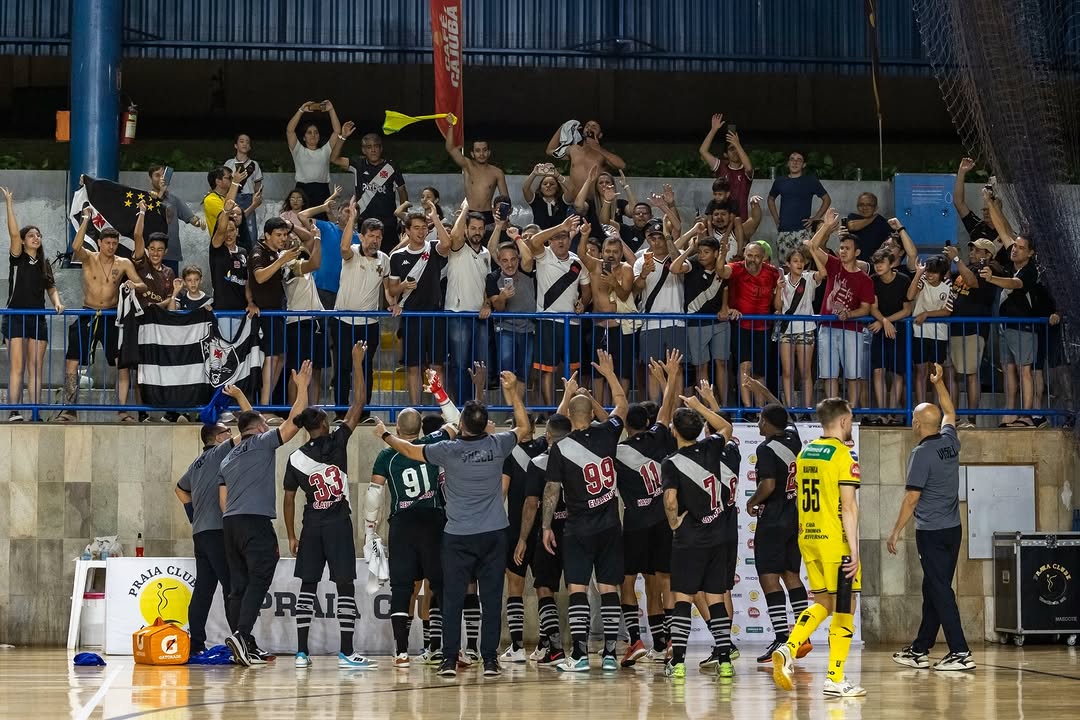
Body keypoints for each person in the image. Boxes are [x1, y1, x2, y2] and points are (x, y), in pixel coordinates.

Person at [374, 371, 531, 678]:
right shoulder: (498, 444)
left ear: (461, 425)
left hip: (458, 535)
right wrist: (513, 393)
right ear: (485, 425)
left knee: (452, 599)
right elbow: (524, 427)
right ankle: (490, 661)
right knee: (490, 599)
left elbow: (409, 450)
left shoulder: (448, 450)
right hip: (494, 534)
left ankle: (448, 661)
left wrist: (384, 435)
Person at [284, 343, 375, 669]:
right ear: (323, 424)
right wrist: (356, 362)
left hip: (311, 526)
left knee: (307, 586)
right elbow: (359, 402)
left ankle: (301, 652)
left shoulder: (295, 458)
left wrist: (291, 535)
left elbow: (289, 498)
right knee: (345, 586)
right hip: (337, 524)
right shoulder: (338, 441)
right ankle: (347, 651)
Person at [219, 360, 313, 666]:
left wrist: (240, 398)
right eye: (265, 423)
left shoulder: (229, 456)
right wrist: (302, 388)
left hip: (230, 525)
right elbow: (295, 421)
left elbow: (250, 419)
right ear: (261, 428)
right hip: (254, 522)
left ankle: (243, 643)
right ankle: (241, 635)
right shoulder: (262, 443)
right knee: (260, 577)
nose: (267, 425)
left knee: (238, 587)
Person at [540, 350, 629, 672]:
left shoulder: (560, 448)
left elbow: (551, 490)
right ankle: (609, 655)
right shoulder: (608, 433)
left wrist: (546, 527)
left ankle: (578, 655)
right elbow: (622, 405)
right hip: (610, 525)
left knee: (576, 587)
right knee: (608, 588)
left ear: (569, 416)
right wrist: (609, 374)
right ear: (592, 412)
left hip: (577, 527)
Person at [772, 397, 864, 698]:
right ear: (844, 421)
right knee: (846, 606)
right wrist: (854, 551)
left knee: (823, 602)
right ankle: (835, 678)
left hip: (808, 538)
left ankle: (788, 648)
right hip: (834, 541)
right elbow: (848, 507)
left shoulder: (806, 452)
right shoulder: (844, 456)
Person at [369, 375, 463, 669]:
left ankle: (401, 652)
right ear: (421, 427)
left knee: (401, 588)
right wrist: (439, 392)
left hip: (402, 524)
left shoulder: (387, 456)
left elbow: (374, 493)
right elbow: (457, 421)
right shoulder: (433, 443)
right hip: (433, 521)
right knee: (440, 585)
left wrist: (370, 529)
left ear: (397, 429)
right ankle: (444, 648)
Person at [888, 363, 976, 672]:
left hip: (932, 533)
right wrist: (938, 384)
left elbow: (912, 498)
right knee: (934, 589)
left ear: (916, 424)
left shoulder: (921, 454)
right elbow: (950, 412)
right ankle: (920, 649)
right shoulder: (950, 441)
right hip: (953, 530)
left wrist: (895, 532)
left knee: (940, 590)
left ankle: (960, 652)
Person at [660, 392, 740, 679]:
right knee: (716, 600)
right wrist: (699, 406)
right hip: (718, 534)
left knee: (683, 598)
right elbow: (726, 427)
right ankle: (725, 661)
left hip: (689, 539)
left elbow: (670, 500)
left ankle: (679, 663)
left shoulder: (671, 462)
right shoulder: (712, 447)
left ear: (674, 431)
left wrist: (673, 523)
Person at [613, 351, 681, 667]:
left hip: (636, 523)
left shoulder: (618, 450)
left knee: (627, 582)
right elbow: (668, 408)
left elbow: (608, 422)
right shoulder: (660, 437)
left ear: (626, 426)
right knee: (661, 583)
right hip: (662, 522)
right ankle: (668, 642)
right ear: (648, 424)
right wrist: (671, 376)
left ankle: (636, 640)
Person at [740, 376, 813, 664]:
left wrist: (752, 501)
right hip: (795, 516)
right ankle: (802, 636)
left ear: (770, 425)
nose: (758, 424)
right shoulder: (793, 435)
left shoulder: (765, 448)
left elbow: (768, 484)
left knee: (769, 577)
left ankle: (783, 638)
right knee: (791, 574)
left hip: (773, 519)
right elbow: (781, 409)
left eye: (761, 420)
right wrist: (762, 390)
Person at [174, 384, 252, 653]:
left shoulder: (195, 463)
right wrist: (240, 399)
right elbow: (251, 432)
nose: (231, 433)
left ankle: (196, 642)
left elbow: (180, 489)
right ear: (218, 438)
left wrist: (193, 515)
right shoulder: (220, 452)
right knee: (232, 586)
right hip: (218, 531)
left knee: (204, 589)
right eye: (227, 431)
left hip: (201, 533)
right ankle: (241, 642)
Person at [57, 209, 147, 423]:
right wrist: (85, 219)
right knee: (72, 360)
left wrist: (133, 285)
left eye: (114, 243)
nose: (111, 246)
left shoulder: (123, 262)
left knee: (121, 363)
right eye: (107, 243)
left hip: (111, 316)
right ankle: (70, 409)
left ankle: (122, 410)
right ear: (99, 243)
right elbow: (76, 247)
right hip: (88, 313)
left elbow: (143, 286)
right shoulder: (89, 258)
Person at [1, 187, 63, 423]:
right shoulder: (18, 257)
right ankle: (14, 412)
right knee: (17, 367)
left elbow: (51, 288)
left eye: (38, 235)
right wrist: (9, 203)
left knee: (35, 368)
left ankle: (35, 412)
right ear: (24, 240)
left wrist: (57, 303)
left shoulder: (44, 263)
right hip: (16, 316)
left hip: (37, 318)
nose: (36, 238)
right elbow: (13, 233)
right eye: (31, 235)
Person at [518, 413, 573, 664]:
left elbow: (531, 504)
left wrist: (522, 538)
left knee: (544, 588)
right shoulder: (579, 458)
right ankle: (582, 650)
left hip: (548, 531)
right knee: (578, 589)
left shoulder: (539, 462)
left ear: (548, 435)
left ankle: (555, 647)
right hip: (576, 530)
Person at [808, 210, 874, 409]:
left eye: (847, 248)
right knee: (829, 375)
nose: (843, 251)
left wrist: (849, 314)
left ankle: (851, 411)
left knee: (853, 375)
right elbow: (813, 245)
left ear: (857, 252)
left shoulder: (865, 279)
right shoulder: (834, 265)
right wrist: (826, 226)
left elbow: (865, 309)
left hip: (852, 330)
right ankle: (832, 411)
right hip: (828, 326)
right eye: (841, 247)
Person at [526, 216, 593, 411]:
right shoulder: (544, 255)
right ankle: (550, 412)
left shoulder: (577, 262)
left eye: (564, 237)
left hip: (572, 322)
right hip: (547, 320)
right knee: (546, 369)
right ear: (550, 241)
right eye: (556, 238)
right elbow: (534, 241)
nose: (561, 241)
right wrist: (561, 226)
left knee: (572, 370)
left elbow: (587, 290)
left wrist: (583, 303)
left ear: (569, 239)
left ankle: (569, 409)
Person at [499, 418, 549, 663]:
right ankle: (546, 645)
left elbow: (502, 492)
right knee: (544, 587)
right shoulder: (545, 447)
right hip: (545, 529)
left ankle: (517, 647)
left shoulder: (509, 453)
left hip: (516, 528)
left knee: (515, 586)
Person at [388, 209, 448, 406]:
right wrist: (404, 286)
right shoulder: (397, 257)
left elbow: (447, 244)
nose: (421, 232)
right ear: (407, 231)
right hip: (411, 317)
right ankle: (415, 410)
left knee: (437, 366)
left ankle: (443, 410)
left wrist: (435, 219)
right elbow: (392, 288)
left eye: (424, 228)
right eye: (416, 228)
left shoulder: (433, 248)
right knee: (413, 367)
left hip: (435, 315)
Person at [333, 213, 391, 420]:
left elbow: (387, 288)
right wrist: (351, 218)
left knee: (366, 369)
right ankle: (340, 413)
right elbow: (343, 248)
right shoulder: (352, 252)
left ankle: (364, 413)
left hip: (369, 323)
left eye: (379, 237)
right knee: (342, 368)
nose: (375, 240)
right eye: (371, 236)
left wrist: (393, 303)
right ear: (362, 236)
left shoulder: (384, 259)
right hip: (343, 321)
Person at [980, 232, 1040, 427]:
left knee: (1024, 371)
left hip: (1023, 327)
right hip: (1005, 326)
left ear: (1030, 253)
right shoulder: (1010, 264)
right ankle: (1010, 411)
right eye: (1015, 246)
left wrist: (992, 278)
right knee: (1008, 370)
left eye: (1021, 248)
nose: (1015, 250)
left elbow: (1015, 284)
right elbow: (1004, 232)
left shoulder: (1030, 271)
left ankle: (1027, 415)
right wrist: (993, 211)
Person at [719, 240, 781, 416]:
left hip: (763, 327)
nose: (752, 259)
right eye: (749, 255)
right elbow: (721, 272)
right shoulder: (737, 268)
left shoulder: (772, 272)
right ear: (744, 255)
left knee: (759, 371)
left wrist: (778, 308)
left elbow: (779, 299)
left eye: (756, 256)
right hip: (741, 325)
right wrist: (722, 254)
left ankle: (760, 411)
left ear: (763, 258)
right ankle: (748, 410)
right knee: (744, 367)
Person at [632, 220, 693, 401]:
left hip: (676, 320)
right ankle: (655, 408)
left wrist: (670, 238)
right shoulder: (640, 261)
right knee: (653, 369)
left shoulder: (679, 256)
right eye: (653, 238)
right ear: (647, 239)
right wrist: (643, 274)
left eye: (660, 237)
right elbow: (636, 289)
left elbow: (680, 269)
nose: (657, 242)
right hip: (650, 322)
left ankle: (676, 408)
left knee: (677, 369)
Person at [438, 209, 494, 402]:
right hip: (457, 314)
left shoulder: (486, 253)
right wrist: (466, 208)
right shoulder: (458, 247)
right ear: (466, 230)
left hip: (480, 317)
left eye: (480, 228)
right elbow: (454, 236)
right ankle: (463, 407)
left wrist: (487, 304)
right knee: (460, 364)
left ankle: (477, 405)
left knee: (480, 365)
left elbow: (487, 285)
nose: (477, 232)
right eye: (473, 228)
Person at [943, 240, 999, 428]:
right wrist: (947, 260)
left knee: (971, 373)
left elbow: (972, 282)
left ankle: (971, 419)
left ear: (988, 254)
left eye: (977, 250)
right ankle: (952, 417)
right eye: (972, 249)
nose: (972, 252)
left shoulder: (989, 270)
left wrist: (956, 259)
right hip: (953, 328)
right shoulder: (965, 269)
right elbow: (948, 281)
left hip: (972, 330)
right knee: (950, 372)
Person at [576, 229, 634, 402]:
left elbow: (624, 295)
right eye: (608, 251)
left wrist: (614, 283)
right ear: (602, 252)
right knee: (597, 371)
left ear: (621, 254)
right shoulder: (595, 265)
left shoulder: (626, 269)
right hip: (599, 325)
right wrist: (584, 235)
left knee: (622, 371)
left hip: (620, 327)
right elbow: (581, 254)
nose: (611, 255)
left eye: (615, 252)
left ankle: (620, 407)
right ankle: (598, 408)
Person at [250, 217, 302, 411]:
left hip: (278, 311)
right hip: (266, 313)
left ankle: (267, 403)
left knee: (281, 357)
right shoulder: (258, 251)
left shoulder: (277, 252)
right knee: (271, 357)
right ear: (267, 235)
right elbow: (259, 277)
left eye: (285, 234)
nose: (283, 238)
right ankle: (263, 407)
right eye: (278, 235)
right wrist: (282, 260)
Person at [672, 234, 728, 407]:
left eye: (706, 252)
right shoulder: (693, 264)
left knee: (722, 363)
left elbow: (726, 288)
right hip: (696, 323)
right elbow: (674, 268)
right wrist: (690, 249)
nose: (702, 255)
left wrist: (725, 307)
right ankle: (707, 407)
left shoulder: (722, 267)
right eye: (700, 251)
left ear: (716, 253)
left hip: (719, 322)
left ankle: (725, 407)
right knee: (701, 366)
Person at [332, 130, 408, 255]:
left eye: (376, 146)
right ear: (363, 150)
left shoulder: (391, 167)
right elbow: (334, 159)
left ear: (381, 148)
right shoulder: (358, 165)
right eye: (369, 147)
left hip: (388, 224)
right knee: (365, 258)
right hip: (365, 224)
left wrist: (404, 218)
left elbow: (402, 192)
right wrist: (343, 137)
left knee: (389, 257)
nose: (373, 150)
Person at [774, 245, 824, 413]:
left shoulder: (809, 278)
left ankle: (807, 410)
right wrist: (778, 289)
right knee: (787, 371)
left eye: (802, 261)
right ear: (788, 264)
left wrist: (813, 252)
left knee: (805, 372)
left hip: (806, 329)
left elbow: (823, 273)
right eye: (795, 261)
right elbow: (778, 307)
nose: (799, 264)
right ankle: (790, 409)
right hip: (786, 330)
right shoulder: (782, 280)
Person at [487, 234, 537, 399]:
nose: (510, 264)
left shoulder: (526, 271)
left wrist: (516, 237)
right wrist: (503, 297)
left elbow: (528, 258)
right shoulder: (493, 278)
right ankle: (510, 408)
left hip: (528, 328)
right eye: (505, 260)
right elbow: (498, 307)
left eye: (513, 259)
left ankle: (517, 408)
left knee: (524, 371)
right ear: (499, 261)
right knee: (507, 371)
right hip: (505, 329)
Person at [867, 248, 913, 425]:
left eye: (882, 263)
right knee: (878, 370)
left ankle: (892, 413)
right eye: (876, 263)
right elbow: (873, 307)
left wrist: (887, 321)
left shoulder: (903, 280)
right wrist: (883, 321)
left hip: (899, 329)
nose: (878, 266)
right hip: (880, 328)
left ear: (891, 263)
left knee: (897, 372)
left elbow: (907, 310)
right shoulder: (873, 280)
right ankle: (882, 413)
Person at [767, 152, 831, 260]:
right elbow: (770, 199)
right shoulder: (780, 181)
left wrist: (816, 218)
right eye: (792, 159)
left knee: (805, 263)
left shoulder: (810, 181)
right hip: (784, 230)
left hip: (803, 231)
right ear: (788, 163)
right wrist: (776, 219)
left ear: (804, 164)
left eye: (799, 160)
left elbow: (827, 199)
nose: (795, 162)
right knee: (785, 263)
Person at [907, 256, 952, 406]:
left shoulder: (947, 285)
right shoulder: (922, 280)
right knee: (920, 371)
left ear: (942, 273)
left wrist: (927, 314)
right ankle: (921, 409)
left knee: (936, 374)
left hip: (939, 334)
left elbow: (947, 311)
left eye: (934, 272)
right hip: (919, 332)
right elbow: (910, 296)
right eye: (928, 271)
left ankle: (936, 409)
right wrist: (918, 273)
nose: (930, 275)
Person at [286, 100, 344, 213]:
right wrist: (301, 110)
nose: (313, 135)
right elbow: (290, 131)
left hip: (322, 190)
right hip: (303, 190)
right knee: (302, 220)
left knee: (322, 220)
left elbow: (337, 131)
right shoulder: (298, 150)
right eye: (309, 132)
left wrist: (331, 110)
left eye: (316, 132)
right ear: (304, 137)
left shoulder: (325, 150)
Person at [545, 119, 626, 197]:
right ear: (583, 132)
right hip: (574, 200)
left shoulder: (602, 154)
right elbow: (550, 150)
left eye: (594, 127)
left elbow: (622, 165)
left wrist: (598, 148)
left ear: (600, 135)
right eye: (587, 126)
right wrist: (563, 127)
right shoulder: (574, 150)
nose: (590, 128)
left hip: (595, 201)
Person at [148, 164, 204, 274]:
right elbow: (153, 215)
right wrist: (160, 193)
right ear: (150, 179)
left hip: (171, 252)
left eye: (163, 175)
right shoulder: (146, 198)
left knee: (171, 282)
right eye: (157, 176)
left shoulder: (173, 199)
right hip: (151, 253)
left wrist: (198, 222)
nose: (161, 179)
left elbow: (190, 217)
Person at [698, 114, 754, 219]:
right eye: (731, 149)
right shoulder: (721, 167)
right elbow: (703, 151)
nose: (735, 152)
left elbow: (749, 168)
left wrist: (737, 144)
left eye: (737, 149)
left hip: (741, 220)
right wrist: (713, 130)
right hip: (722, 221)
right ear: (725, 154)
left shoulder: (745, 170)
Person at [445, 135, 509, 224]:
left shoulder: (497, 172)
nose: (481, 154)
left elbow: (505, 200)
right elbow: (450, 148)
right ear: (472, 154)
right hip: (469, 212)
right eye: (478, 151)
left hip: (488, 214)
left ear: (489, 152)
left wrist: (503, 216)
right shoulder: (467, 165)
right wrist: (451, 127)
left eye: (484, 150)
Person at [224, 133, 264, 245]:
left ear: (250, 146)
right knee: (231, 225)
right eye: (241, 141)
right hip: (233, 198)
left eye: (247, 142)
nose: (244, 144)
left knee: (250, 229)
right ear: (235, 145)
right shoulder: (229, 163)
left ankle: (251, 252)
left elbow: (257, 184)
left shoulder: (254, 164)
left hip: (248, 198)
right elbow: (224, 182)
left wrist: (257, 196)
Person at [522, 163, 572, 230]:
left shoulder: (562, 200)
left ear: (557, 188)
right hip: (540, 235)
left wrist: (558, 176)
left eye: (552, 184)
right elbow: (525, 189)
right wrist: (534, 173)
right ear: (540, 188)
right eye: (545, 184)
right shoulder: (536, 200)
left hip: (560, 235)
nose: (548, 186)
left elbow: (571, 190)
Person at [203, 166, 246, 240]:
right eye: (229, 178)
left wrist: (253, 205)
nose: (232, 179)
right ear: (218, 181)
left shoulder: (225, 197)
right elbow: (226, 217)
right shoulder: (210, 199)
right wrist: (235, 183)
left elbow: (239, 218)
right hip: (221, 242)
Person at [845, 192, 892, 260]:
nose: (864, 208)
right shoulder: (853, 217)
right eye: (861, 205)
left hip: (874, 263)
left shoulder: (881, 222)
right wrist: (873, 218)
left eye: (869, 205)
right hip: (854, 261)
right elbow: (852, 226)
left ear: (875, 208)